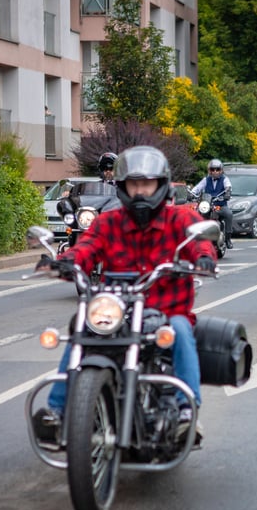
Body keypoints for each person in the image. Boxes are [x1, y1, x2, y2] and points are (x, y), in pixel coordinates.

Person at [33, 146, 217, 444]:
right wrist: (64, 263)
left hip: (166, 311)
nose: (140, 191)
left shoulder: (181, 219)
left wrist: (204, 259)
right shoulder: (108, 222)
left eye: (147, 184)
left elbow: (200, 243)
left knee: (181, 330)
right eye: (134, 184)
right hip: (118, 310)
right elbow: (86, 248)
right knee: (81, 327)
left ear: (160, 185)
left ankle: (187, 411)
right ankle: (57, 412)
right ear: (122, 187)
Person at [191, 158, 234, 249]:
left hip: (220, 206)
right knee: (195, 214)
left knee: (229, 214)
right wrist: (191, 194)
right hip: (207, 206)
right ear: (209, 170)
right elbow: (197, 188)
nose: (215, 171)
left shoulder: (225, 179)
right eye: (212, 169)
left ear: (221, 170)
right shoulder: (206, 180)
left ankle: (228, 239)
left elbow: (228, 187)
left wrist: (227, 193)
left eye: (217, 169)